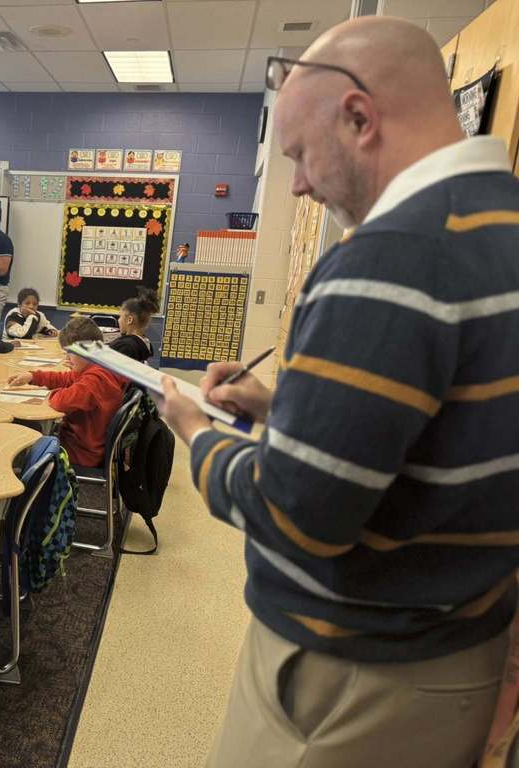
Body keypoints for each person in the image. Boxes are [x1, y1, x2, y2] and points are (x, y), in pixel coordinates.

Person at [153, 17, 519, 768]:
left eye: (299, 154)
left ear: (359, 117)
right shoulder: (498, 224)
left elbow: (297, 515)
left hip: (354, 674)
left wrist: (196, 429)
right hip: (455, 643)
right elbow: (439, 430)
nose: (298, 183)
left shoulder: (389, 259)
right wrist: (278, 407)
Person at [7, 316, 126, 468]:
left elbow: (62, 401)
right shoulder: (99, 367)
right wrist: (33, 376)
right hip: (86, 441)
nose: (66, 357)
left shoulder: (96, 378)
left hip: (82, 450)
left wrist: (53, 392)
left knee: (27, 433)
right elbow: (67, 378)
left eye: (70, 353)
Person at [110, 287, 158, 363]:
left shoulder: (125, 346)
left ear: (129, 320)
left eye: (120, 316)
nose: (118, 320)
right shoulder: (144, 342)